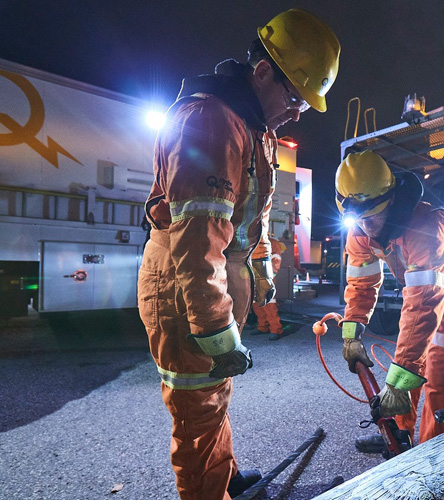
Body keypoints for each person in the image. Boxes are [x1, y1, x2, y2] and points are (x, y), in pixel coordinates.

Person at [137, 9, 339, 499]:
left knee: (214, 399)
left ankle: (223, 481)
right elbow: (195, 243)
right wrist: (214, 329)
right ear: (263, 72)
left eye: (305, 107)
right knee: (197, 415)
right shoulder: (210, 122)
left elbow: (251, 225)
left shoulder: (252, 129)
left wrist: (263, 277)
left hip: (212, 289)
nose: (296, 112)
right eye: (294, 97)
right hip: (186, 299)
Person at [335, 150, 444, 453]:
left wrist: (400, 375)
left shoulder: (427, 226)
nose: (366, 226)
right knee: (408, 366)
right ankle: (398, 433)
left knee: (439, 375)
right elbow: (361, 283)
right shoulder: (360, 229)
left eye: (372, 215)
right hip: (423, 290)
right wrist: (351, 333)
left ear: (391, 200)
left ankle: (436, 455)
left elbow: (424, 303)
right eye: (359, 218)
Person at [252, 237, 287, 338]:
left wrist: (270, 276)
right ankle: (262, 327)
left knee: (269, 305)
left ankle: (276, 330)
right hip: (254, 278)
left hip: (266, 278)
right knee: (257, 304)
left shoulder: (272, 242)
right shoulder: (253, 241)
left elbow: (276, 260)